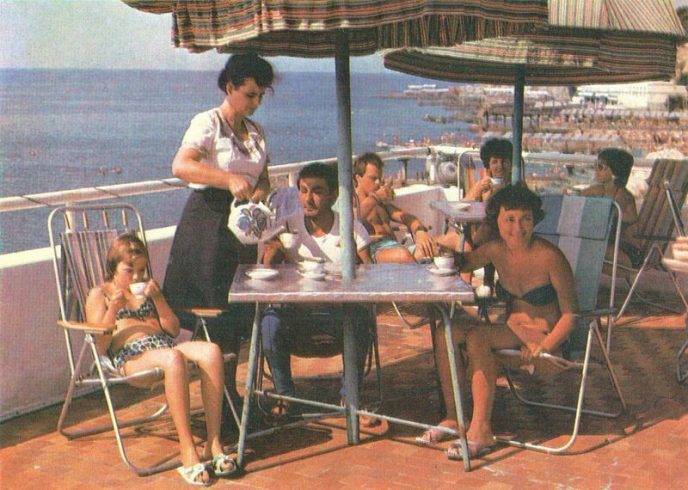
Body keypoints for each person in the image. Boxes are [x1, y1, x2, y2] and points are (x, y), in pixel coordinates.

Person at [421, 186, 577, 461]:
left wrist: (545, 346)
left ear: (535, 219)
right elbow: (463, 262)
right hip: (511, 334)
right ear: (497, 221)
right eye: (510, 219)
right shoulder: (495, 250)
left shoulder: (550, 257)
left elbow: (571, 316)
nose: (518, 228)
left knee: (478, 337)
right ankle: (454, 417)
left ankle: (481, 431)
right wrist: (443, 249)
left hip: (544, 343)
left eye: (526, 218)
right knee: (447, 330)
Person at [162, 53, 274, 419]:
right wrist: (227, 179)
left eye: (261, 96)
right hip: (208, 227)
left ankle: (228, 397)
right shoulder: (208, 123)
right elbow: (181, 165)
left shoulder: (255, 132)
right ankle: (219, 402)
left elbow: (263, 178)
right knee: (211, 314)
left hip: (241, 228)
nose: (256, 103)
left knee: (235, 314)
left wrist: (258, 195)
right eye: (250, 94)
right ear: (230, 88)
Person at [85, 234, 235, 485]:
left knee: (211, 351)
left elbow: (173, 330)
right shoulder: (99, 294)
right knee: (173, 358)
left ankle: (213, 443)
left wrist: (158, 298)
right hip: (133, 357)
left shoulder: (148, 290)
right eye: (129, 270)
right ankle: (188, 451)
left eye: (142, 270)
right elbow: (100, 345)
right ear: (113, 268)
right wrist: (113, 308)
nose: (137, 277)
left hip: (165, 348)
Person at [260, 162, 373, 416]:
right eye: (303, 191)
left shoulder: (350, 228)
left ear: (333, 194)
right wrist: (272, 251)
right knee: (269, 322)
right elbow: (265, 272)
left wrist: (352, 255)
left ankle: (350, 397)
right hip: (297, 316)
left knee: (360, 318)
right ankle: (284, 395)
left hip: (338, 317)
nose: (307, 199)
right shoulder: (287, 226)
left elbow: (371, 276)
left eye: (317, 191)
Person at [353, 152, 437, 262]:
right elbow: (352, 220)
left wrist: (420, 232)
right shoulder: (352, 201)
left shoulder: (380, 203)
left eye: (379, 178)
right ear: (358, 178)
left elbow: (407, 217)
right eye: (373, 178)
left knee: (446, 243)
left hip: (397, 248)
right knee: (403, 255)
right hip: (376, 251)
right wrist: (376, 197)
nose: (378, 183)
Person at [578, 148, 642, 268]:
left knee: (579, 248)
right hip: (614, 246)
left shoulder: (622, 196)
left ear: (615, 171)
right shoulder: (604, 191)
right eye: (595, 165)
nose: (596, 169)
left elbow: (602, 223)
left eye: (601, 166)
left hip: (629, 253)